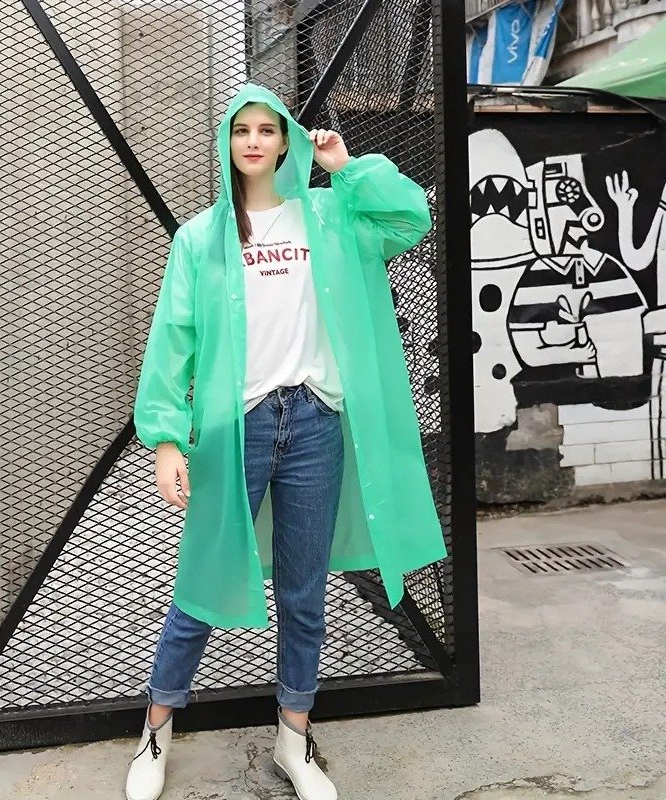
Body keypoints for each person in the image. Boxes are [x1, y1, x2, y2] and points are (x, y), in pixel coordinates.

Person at [126, 83, 446, 800]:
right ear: (226, 142)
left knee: (305, 592)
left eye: (267, 129)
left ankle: (294, 737)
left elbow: (410, 217)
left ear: (284, 142)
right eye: (241, 130)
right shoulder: (200, 239)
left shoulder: (330, 215)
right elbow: (171, 343)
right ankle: (156, 729)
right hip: (236, 428)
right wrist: (167, 440)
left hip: (313, 422)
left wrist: (346, 166)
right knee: (202, 582)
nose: (253, 141)